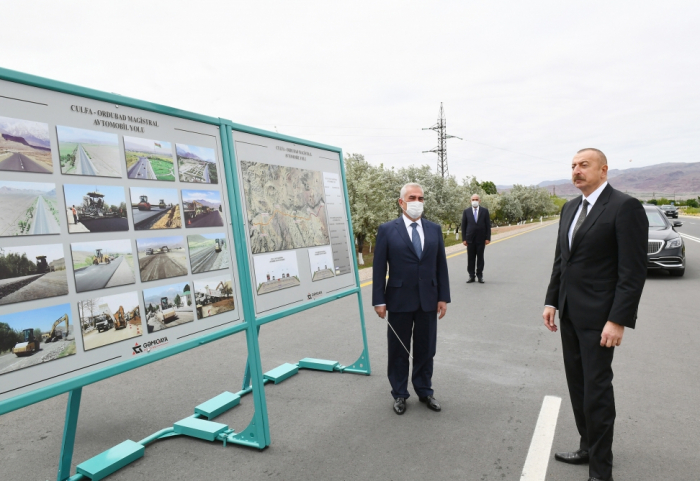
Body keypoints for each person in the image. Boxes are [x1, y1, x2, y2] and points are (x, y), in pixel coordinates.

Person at [543, 148, 648, 481]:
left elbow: (633, 271)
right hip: (570, 315)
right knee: (578, 387)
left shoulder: (624, 207)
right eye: (573, 166)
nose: (576, 171)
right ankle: (587, 446)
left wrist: (618, 320)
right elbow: (563, 260)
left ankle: (601, 470)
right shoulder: (570, 208)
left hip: (601, 319)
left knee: (597, 390)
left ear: (603, 170)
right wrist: (551, 302)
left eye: (583, 165)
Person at [373, 183, 450, 415]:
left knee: (426, 348)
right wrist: (379, 300)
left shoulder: (434, 229)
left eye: (421, 198)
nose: (417, 202)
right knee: (399, 349)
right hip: (398, 299)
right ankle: (399, 393)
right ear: (401, 202)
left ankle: (425, 390)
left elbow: (440, 266)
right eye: (412, 197)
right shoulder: (387, 230)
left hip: (428, 299)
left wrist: (443, 297)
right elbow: (378, 268)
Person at [461, 194, 491, 283]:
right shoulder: (466, 211)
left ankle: (480, 275)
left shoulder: (484, 211)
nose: (475, 201)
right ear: (470, 201)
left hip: (481, 239)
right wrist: (464, 239)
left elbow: (488, 225)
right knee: (471, 258)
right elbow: (464, 226)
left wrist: (487, 238)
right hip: (470, 239)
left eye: (476, 199)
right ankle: (471, 275)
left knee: (480, 257)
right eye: (473, 199)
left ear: (479, 201)